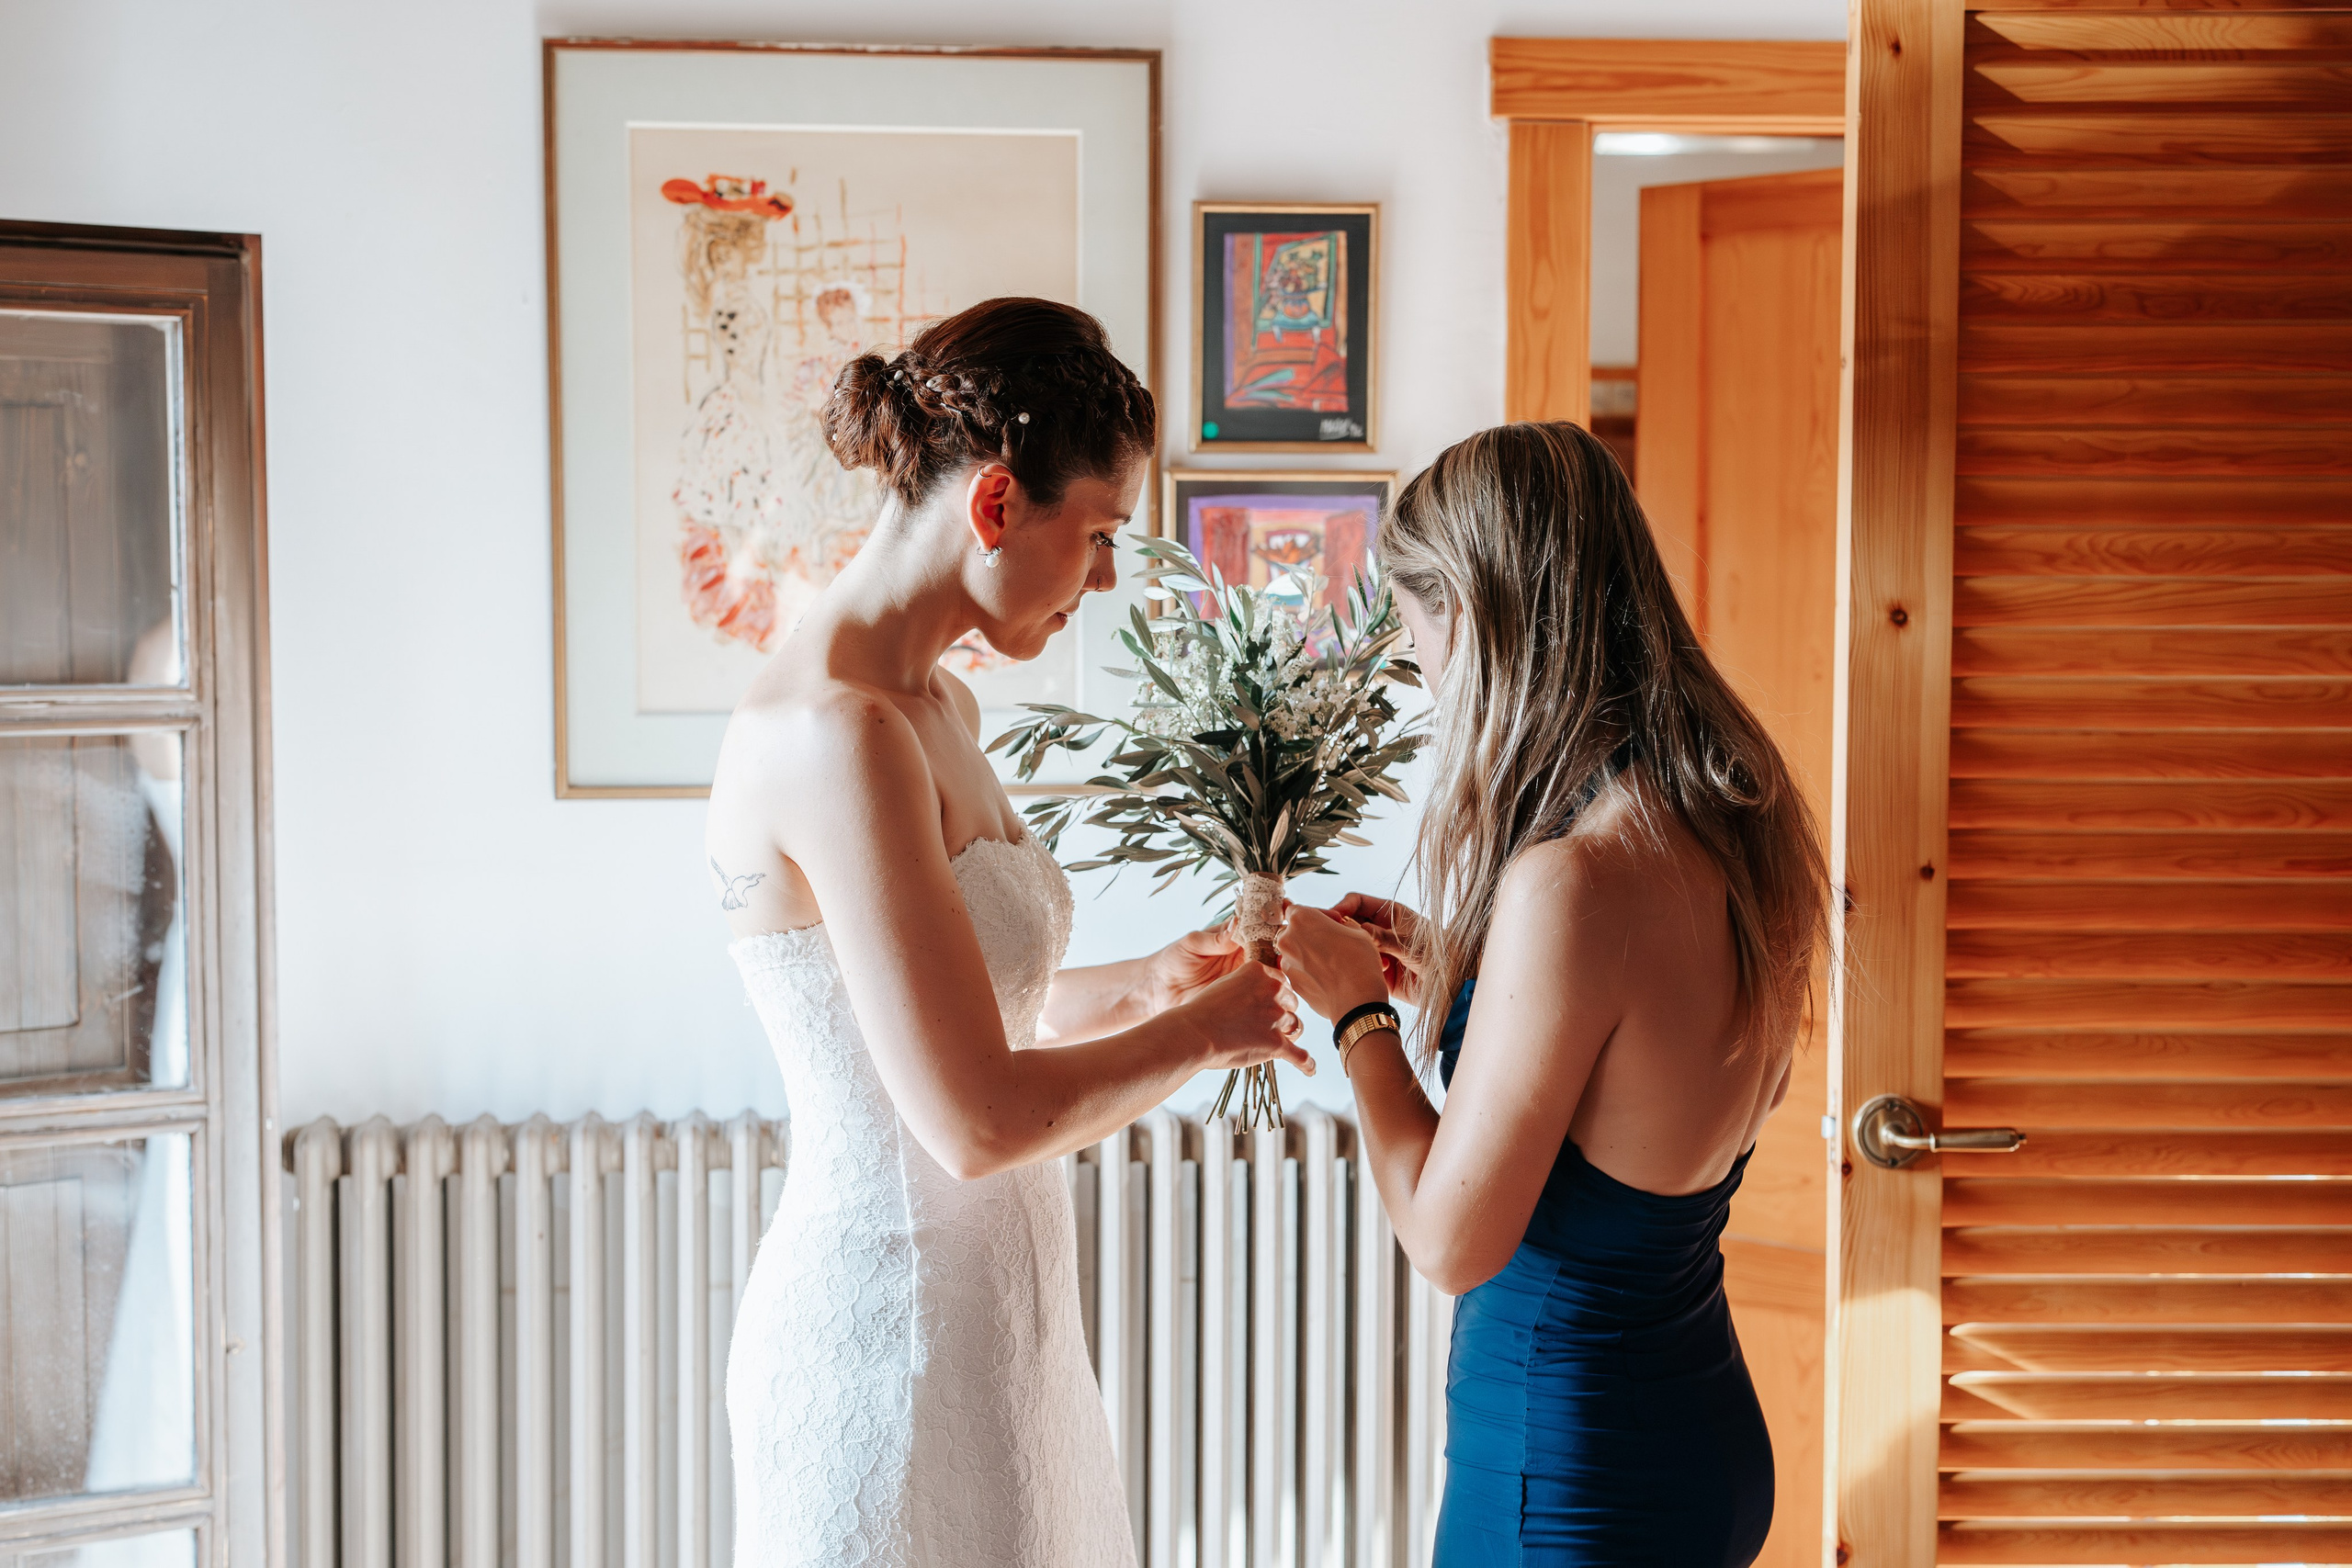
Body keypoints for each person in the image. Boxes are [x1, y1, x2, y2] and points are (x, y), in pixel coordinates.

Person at [705, 297, 1310, 1567]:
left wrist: (1153, 984)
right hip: (887, 1337)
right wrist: (1205, 1035)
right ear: (995, 504)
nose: (1105, 578)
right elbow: (973, 1118)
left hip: (1001, 1322)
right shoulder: (836, 732)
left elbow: (973, 1007)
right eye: (1098, 534)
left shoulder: (940, 707)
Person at [1276, 422, 1829, 1566]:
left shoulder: (1569, 883)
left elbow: (1448, 1243)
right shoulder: (1730, 815)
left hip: (1568, 1474)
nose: (1424, 672)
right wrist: (1466, 970)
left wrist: (1356, 1017)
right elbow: (1640, 1066)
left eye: (1417, 627)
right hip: (1699, 1438)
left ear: (1477, 618)